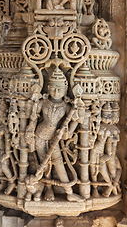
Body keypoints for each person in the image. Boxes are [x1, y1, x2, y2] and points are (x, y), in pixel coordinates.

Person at [26, 67, 84, 202]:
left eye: (60, 88)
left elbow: (76, 120)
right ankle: (48, 188)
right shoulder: (43, 103)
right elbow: (33, 118)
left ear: (65, 89)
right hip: (40, 135)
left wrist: (67, 131)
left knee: (58, 164)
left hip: (54, 138)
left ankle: (69, 192)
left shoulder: (66, 106)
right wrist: (30, 131)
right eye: (53, 88)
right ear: (48, 87)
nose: (56, 92)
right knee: (44, 164)